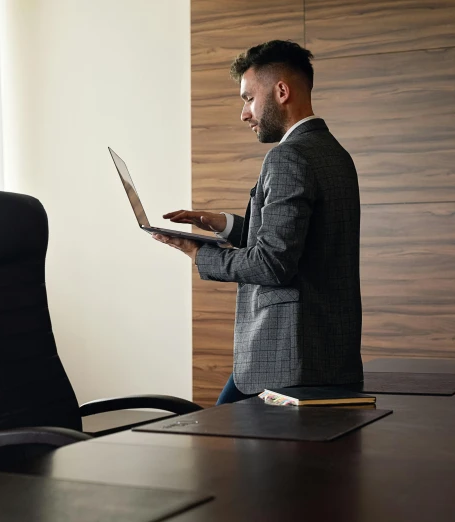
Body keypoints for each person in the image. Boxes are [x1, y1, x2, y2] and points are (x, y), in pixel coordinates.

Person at [153, 40, 363, 405]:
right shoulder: (335, 154)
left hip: (285, 362)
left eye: (248, 98)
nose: (244, 114)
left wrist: (197, 252)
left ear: (281, 91)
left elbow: (273, 263)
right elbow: (304, 241)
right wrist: (224, 225)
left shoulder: (288, 157)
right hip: (328, 357)